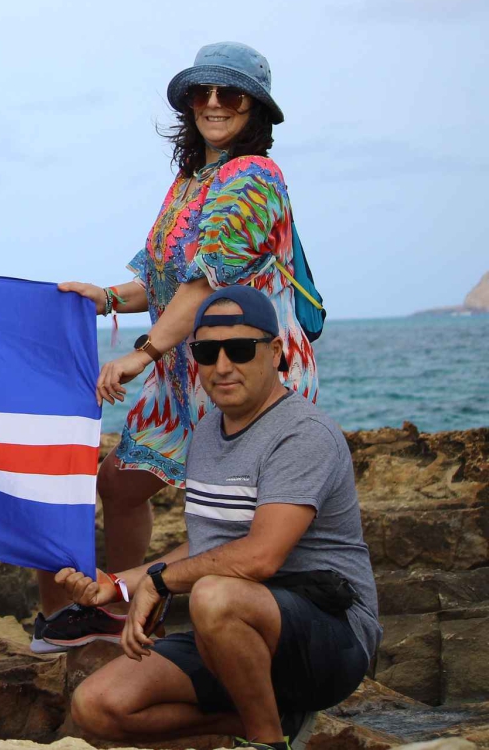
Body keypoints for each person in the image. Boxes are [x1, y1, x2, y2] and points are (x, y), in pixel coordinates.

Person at [34, 43, 319, 653]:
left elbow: (204, 282)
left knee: (231, 518)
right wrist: (103, 297)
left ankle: (249, 634)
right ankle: (123, 612)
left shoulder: (255, 178)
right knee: (120, 482)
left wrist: (143, 353)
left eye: (230, 94)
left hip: (240, 367)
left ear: (255, 109)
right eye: (203, 93)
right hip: (182, 373)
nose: (214, 104)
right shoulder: (190, 183)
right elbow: (163, 283)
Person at [55, 287, 378, 750]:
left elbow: (261, 556)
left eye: (241, 349)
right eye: (207, 352)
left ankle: (267, 742)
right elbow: (212, 547)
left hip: (331, 636)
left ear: (276, 352)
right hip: (234, 633)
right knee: (98, 705)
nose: (223, 365)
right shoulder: (208, 432)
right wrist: (118, 584)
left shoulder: (303, 434)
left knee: (212, 596)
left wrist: (160, 583)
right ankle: (261, 718)